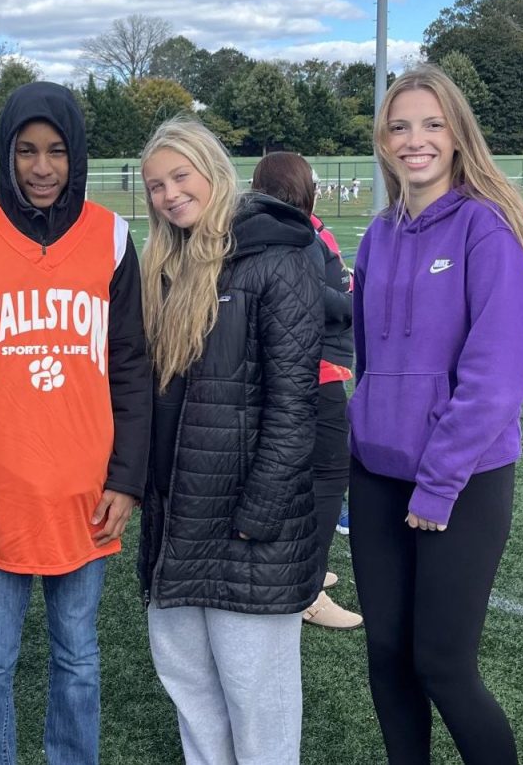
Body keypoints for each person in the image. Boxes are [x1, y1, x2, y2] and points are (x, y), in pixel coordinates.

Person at [0, 81, 151, 765]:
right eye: (26, 151)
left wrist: (127, 479)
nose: (42, 167)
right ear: (6, 154)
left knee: (78, 658)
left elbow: (132, 367)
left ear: (76, 153)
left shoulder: (111, 237)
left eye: (56, 150)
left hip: (86, 491)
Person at [348, 64, 523, 764]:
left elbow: (498, 376)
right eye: (399, 127)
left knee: (443, 665)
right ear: (384, 141)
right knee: (387, 657)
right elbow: (368, 362)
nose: (414, 140)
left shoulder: (486, 230)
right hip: (375, 475)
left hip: (460, 484)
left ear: (457, 135)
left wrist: (438, 483)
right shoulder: (377, 235)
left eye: (431, 124)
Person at [138, 118, 322, 764]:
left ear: (213, 171)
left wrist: (260, 513)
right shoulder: (163, 269)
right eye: (156, 185)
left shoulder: (278, 260)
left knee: (258, 702)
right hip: (177, 522)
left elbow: (294, 403)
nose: (168, 195)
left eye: (179, 176)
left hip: (247, 529)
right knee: (193, 692)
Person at [252, 151, 361, 631]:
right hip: (314, 372)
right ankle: (306, 590)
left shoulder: (295, 228)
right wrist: (358, 302)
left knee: (310, 480)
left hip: (316, 368)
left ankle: (303, 569)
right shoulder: (291, 234)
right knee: (328, 478)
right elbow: (307, 297)